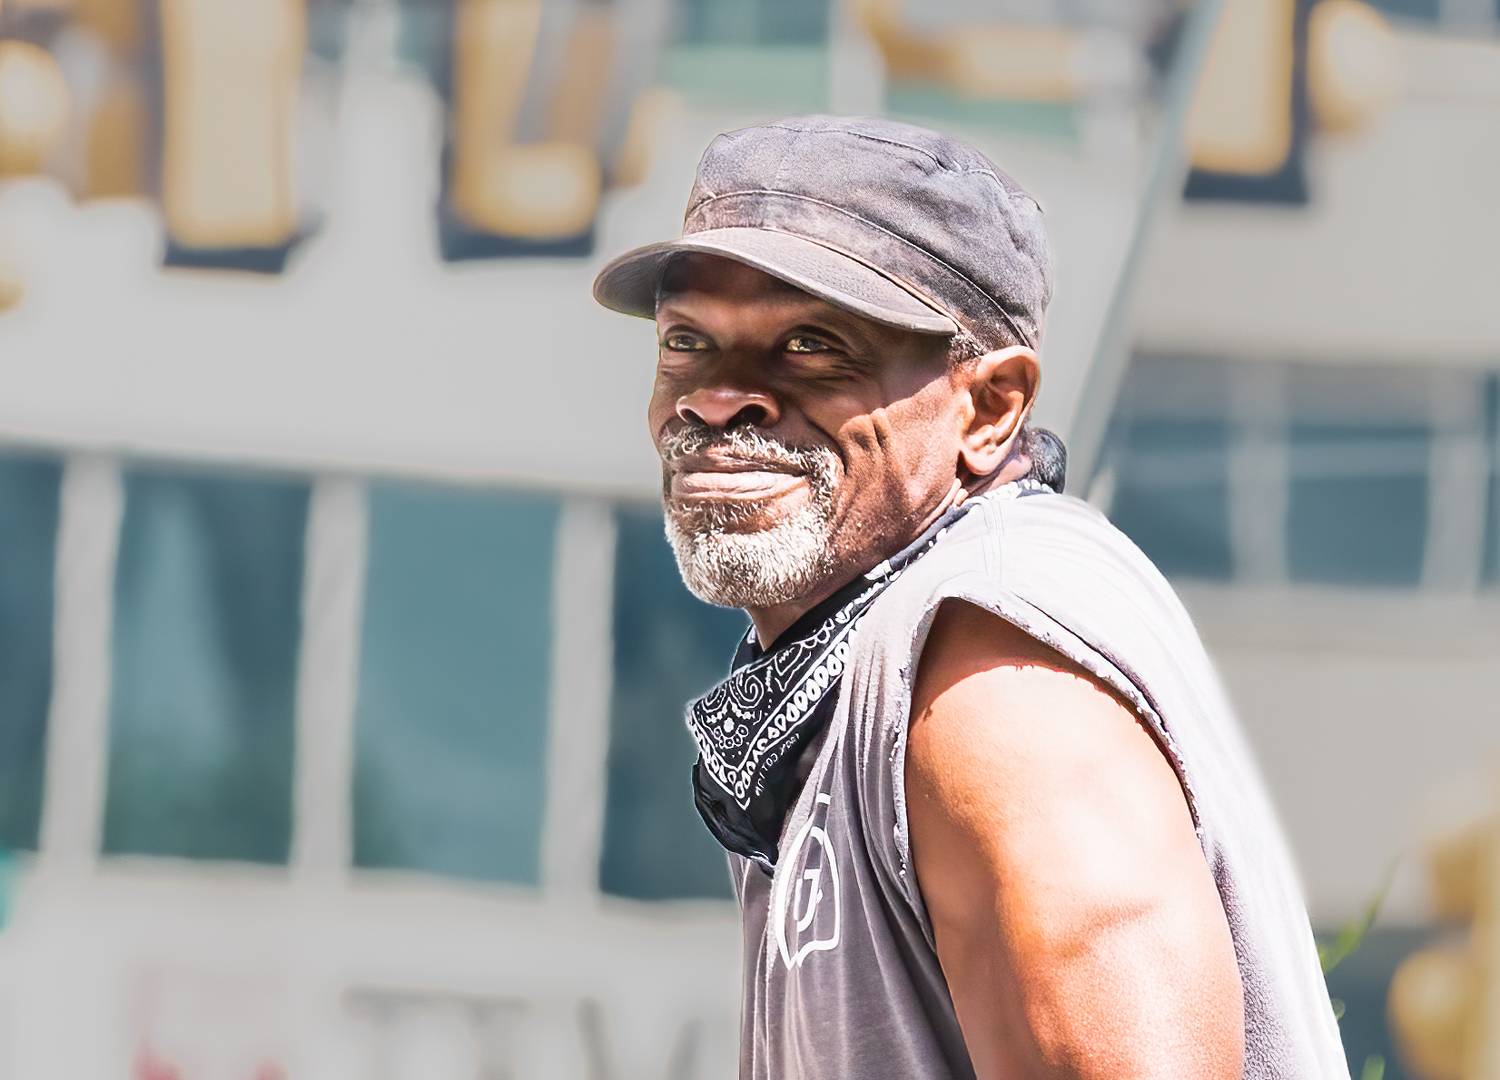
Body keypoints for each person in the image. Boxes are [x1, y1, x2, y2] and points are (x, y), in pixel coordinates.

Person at [592, 115, 1348, 1080]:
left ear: (988, 408)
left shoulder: (993, 680)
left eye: (811, 345)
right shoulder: (857, 664)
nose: (715, 396)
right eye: (687, 341)